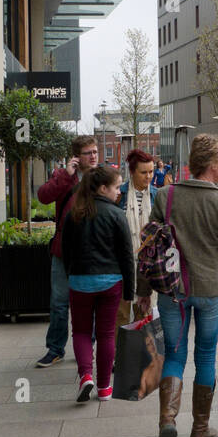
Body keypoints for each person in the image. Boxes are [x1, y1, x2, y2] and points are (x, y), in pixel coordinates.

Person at [146, 134, 218, 437]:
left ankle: (167, 422)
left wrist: (141, 291)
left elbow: (150, 242)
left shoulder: (165, 194)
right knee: (206, 356)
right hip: (211, 290)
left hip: (172, 290)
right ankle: (199, 429)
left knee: (174, 355)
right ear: (210, 164)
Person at [60, 166, 135, 402]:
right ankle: (104, 388)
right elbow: (126, 255)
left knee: (81, 331)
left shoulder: (75, 213)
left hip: (79, 281)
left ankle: (86, 376)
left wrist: (70, 275)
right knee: (105, 334)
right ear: (103, 188)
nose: (119, 191)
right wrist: (129, 290)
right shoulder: (116, 215)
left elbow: (65, 250)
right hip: (110, 282)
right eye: (116, 187)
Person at [35, 135, 99, 368]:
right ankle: (55, 348)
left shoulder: (101, 178)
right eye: (88, 153)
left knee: (90, 302)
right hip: (63, 251)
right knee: (59, 302)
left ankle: (87, 345)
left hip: (92, 250)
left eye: (95, 152)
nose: (93, 156)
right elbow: (43, 197)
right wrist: (65, 176)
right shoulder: (63, 177)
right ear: (76, 157)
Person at [116, 149, 158, 326]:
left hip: (148, 266)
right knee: (121, 316)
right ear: (132, 172)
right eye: (143, 172)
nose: (148, 176)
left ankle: (144, 353)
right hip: (122, 265)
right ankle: (119, 353)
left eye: (151, 171)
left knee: (145, 315)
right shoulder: (120, 195)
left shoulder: (157, 195)